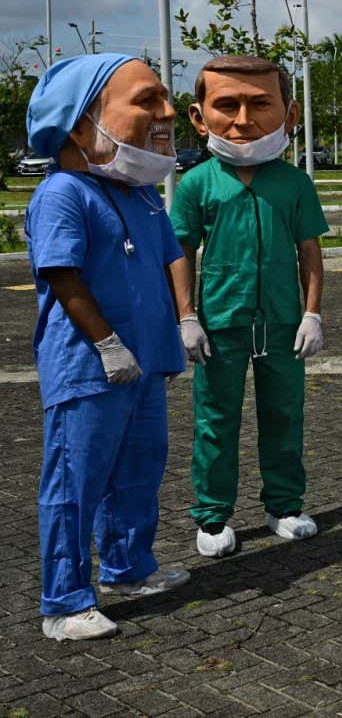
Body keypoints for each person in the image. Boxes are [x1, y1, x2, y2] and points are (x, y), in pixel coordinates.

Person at [24, 54, 192, 639]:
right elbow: (62, 275)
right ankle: (64, 601)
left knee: (139, 470)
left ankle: (127, 567)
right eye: (147, 99)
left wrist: (183, 322)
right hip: (91, 367)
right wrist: (108, 344)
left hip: (145, 361)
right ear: (78, 124)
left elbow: (172, 255)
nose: (166, 112)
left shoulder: (140, 194)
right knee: (77, 480)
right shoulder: (63, 192)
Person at [171, 55, 329, 558]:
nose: (243, 119)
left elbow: (310, 253)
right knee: (216, 420)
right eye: (227, 104)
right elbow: (180, 252)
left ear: (290, 113)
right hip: (220, 323)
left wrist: (312, 312)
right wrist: (187, 317)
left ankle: (284, 505)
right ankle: (213, 515)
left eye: (260, 103)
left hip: (282, 323)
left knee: (285, 414)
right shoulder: (197, 184)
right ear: (199, 117)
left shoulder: (294, 182)